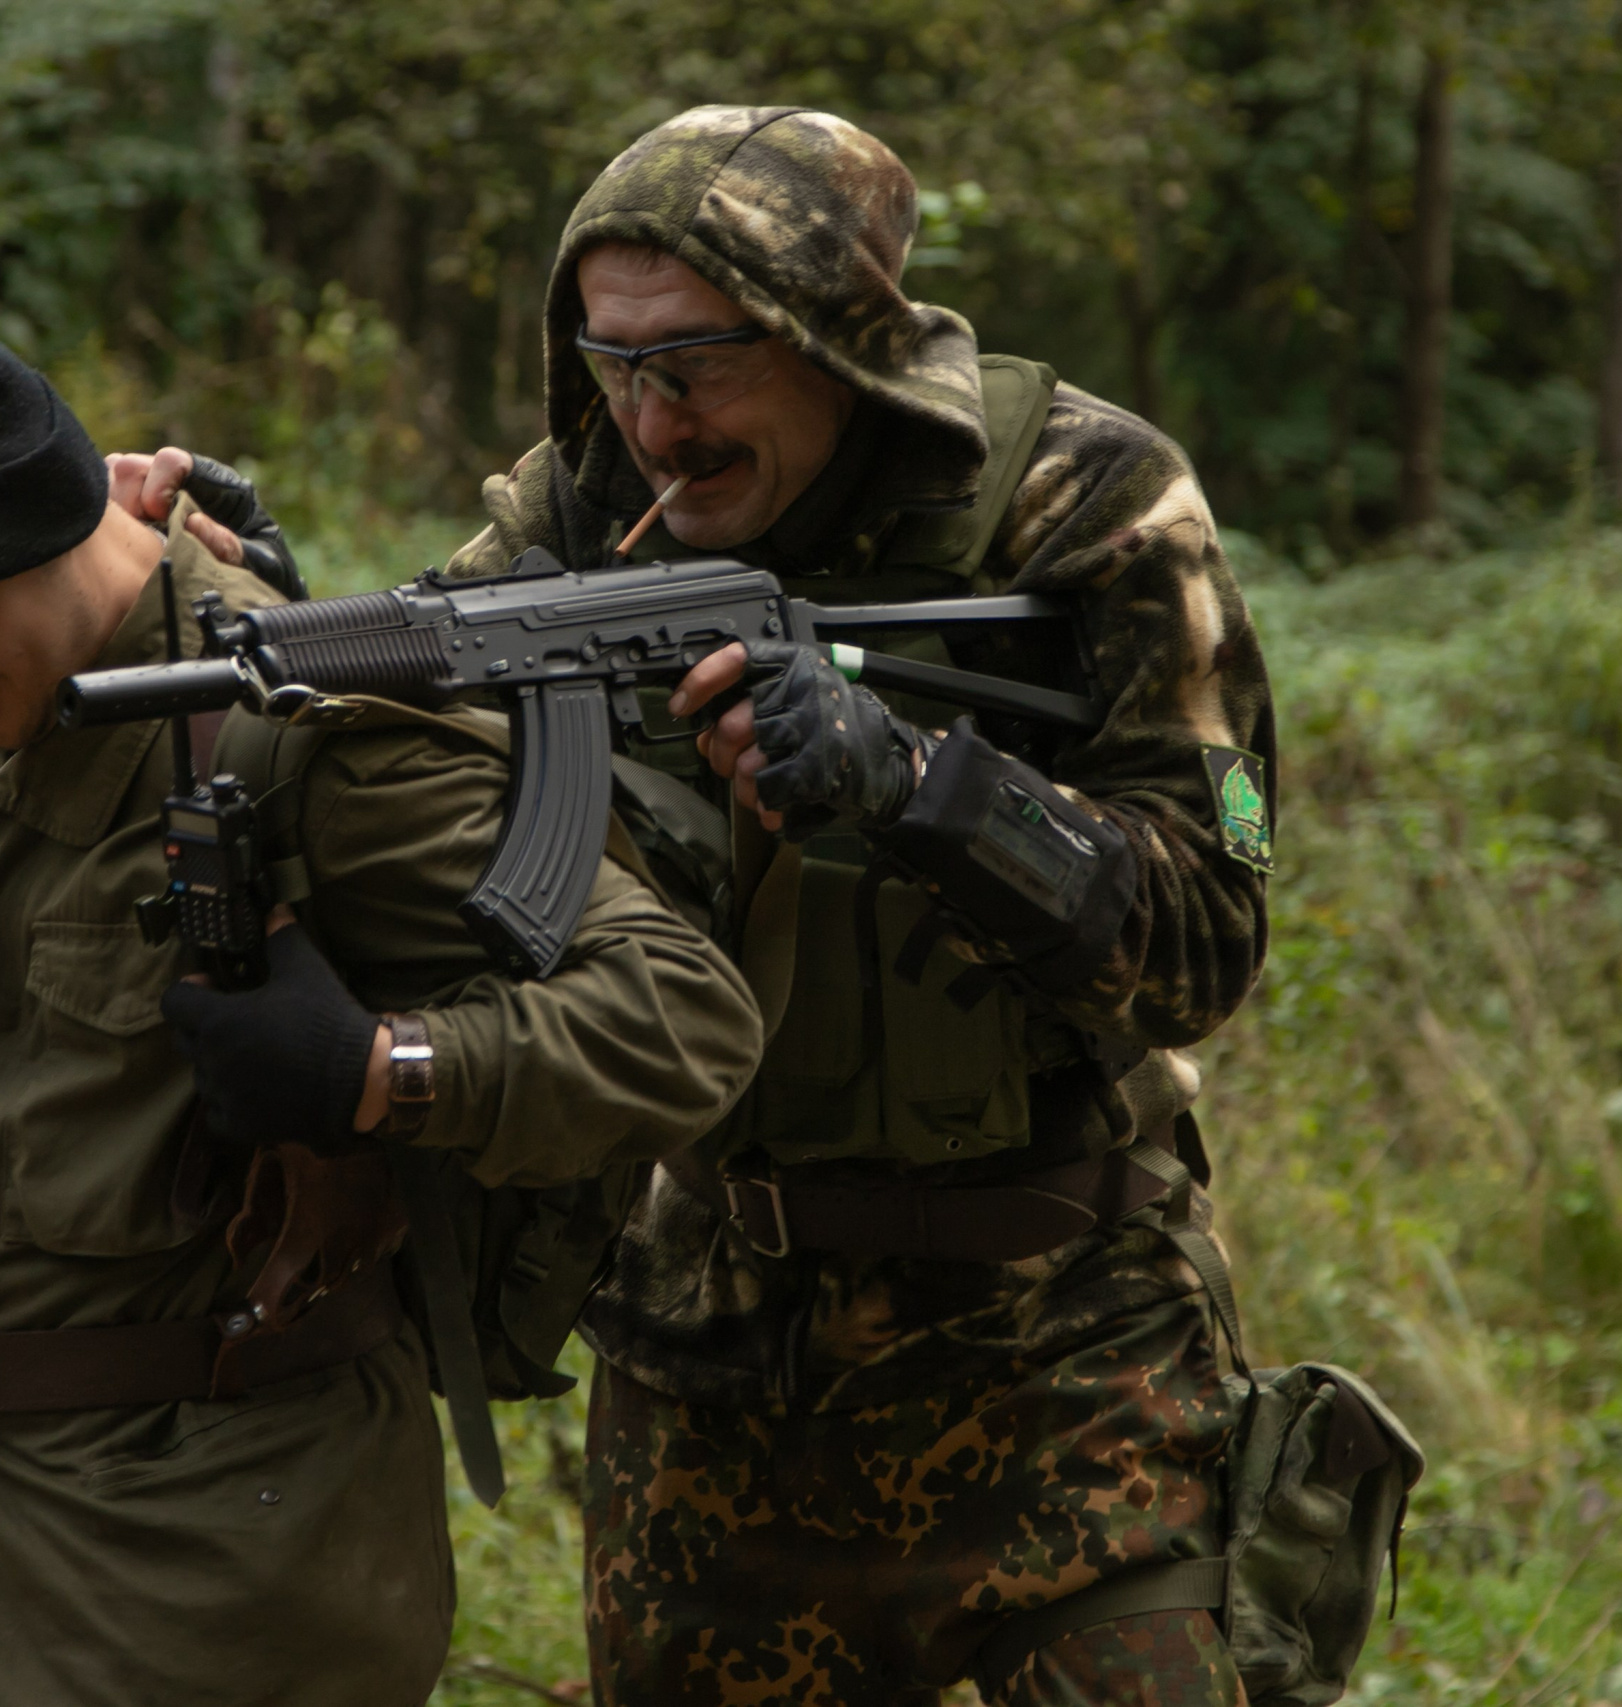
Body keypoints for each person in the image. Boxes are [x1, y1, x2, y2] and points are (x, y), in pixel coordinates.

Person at [0, 309, 765, 1707]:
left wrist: (378, 1069)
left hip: (212, 1576)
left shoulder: (299, 730)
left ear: (37, 527)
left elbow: (687, 1021)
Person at [446, 108, 1277, 1706]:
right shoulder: (575, 511)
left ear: (838, 342)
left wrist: (920, 786)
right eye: (611, 364)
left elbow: (1206, 942)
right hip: (716, 1358)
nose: (651, 419)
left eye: (695, 362)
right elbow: (407, 722)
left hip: (1066, 1346)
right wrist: (248, 605)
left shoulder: (1092, 504)